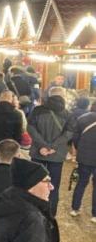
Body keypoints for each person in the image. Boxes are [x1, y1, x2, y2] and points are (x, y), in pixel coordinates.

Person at [27, 86, 74, 217]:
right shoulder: (68, 114)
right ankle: (50, 213)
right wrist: (53, 147)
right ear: (63, 96)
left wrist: (42, 146)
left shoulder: (37, 110)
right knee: (53, 186)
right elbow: (69, 133)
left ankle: (34, 210)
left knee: (35, 181)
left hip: (38, 152)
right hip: (57, 155)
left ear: (50, 95)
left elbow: (30, 128)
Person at [69, 101, 96, 222]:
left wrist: (79, 149)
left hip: (84, 157)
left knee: (81, 183)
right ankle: (94, 214)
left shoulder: (82, 118)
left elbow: (75, 138)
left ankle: (75, 208)